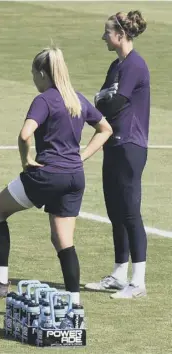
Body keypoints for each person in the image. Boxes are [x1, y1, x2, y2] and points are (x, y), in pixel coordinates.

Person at [0, 46, 113, 306]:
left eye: (33, 74)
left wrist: (26, 161)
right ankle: (74, 302)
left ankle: (0, 280)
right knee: (62, 239)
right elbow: (105, 129)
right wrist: (82, 156)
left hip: (47, 175)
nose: (33, 79)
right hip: (74, 178)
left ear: (43, 74)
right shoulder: (77, 99)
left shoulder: (44, 100)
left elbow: (24, 134)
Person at [84, 10, 150, 299]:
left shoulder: (135, 65)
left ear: (120, 35)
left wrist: (101, 103)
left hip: (130, 145)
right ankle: (119, 274)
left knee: (130, 212)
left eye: (107, 33)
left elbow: (115, 103)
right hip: (113, 143)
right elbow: (101, 101)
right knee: (115, 211)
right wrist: (101, 103)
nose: (104, 37)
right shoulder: (116, 66)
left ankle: (138, 282)